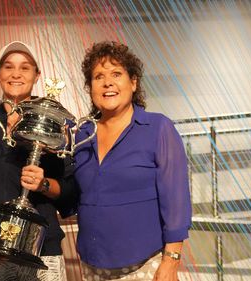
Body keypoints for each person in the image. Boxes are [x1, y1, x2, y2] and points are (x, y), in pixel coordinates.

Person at [73, 41, 192, 281]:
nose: (107, 82)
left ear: (133, 82)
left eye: (116, 74)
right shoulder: (83, 134)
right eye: (98, 77)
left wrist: (170, 263)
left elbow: (176, 201)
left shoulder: (158, 128)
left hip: (146, 266)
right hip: (92, 266)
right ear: (90, 87)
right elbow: (75, 196)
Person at [0, 41, 73, 281]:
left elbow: (70, 189)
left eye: (25, 68)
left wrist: (43, 184)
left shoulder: (54, 124)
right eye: (8, 67)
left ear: (37, 75)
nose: (16, 73)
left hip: (42, 247)